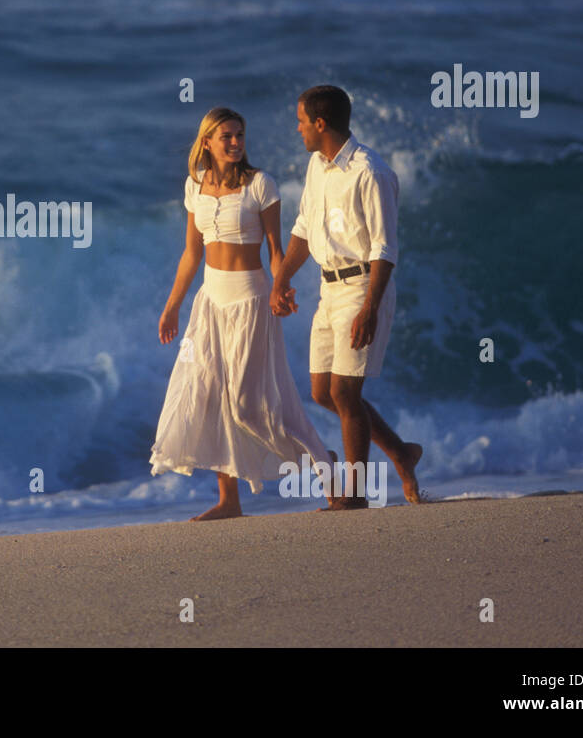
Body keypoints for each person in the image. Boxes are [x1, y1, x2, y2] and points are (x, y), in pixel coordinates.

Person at [152, 106, 333, 521]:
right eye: (226, 137)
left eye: (239, 136)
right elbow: (192, 253)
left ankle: (321, 460)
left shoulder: (260, 185)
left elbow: (275, 250)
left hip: (251, 301)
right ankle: (228, 500)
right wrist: (172, 307)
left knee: (253, 403)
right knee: (212, 398)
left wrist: (280, 286)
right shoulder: (194, 186)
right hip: (210, 303)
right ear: (207, 143)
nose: (235, 143)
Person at [270, 85, 422, 508]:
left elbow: (385, 249)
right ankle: (401, 452)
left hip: (362, 287)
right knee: (322, 392)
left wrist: (370, 307)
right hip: (328, 288)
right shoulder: (317, 165)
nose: (297, 129)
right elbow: (303, 227)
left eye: (301, 121)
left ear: (321, 123)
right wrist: (281, 279)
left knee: (345, 395)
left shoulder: (370, 171)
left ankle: (353, 496)